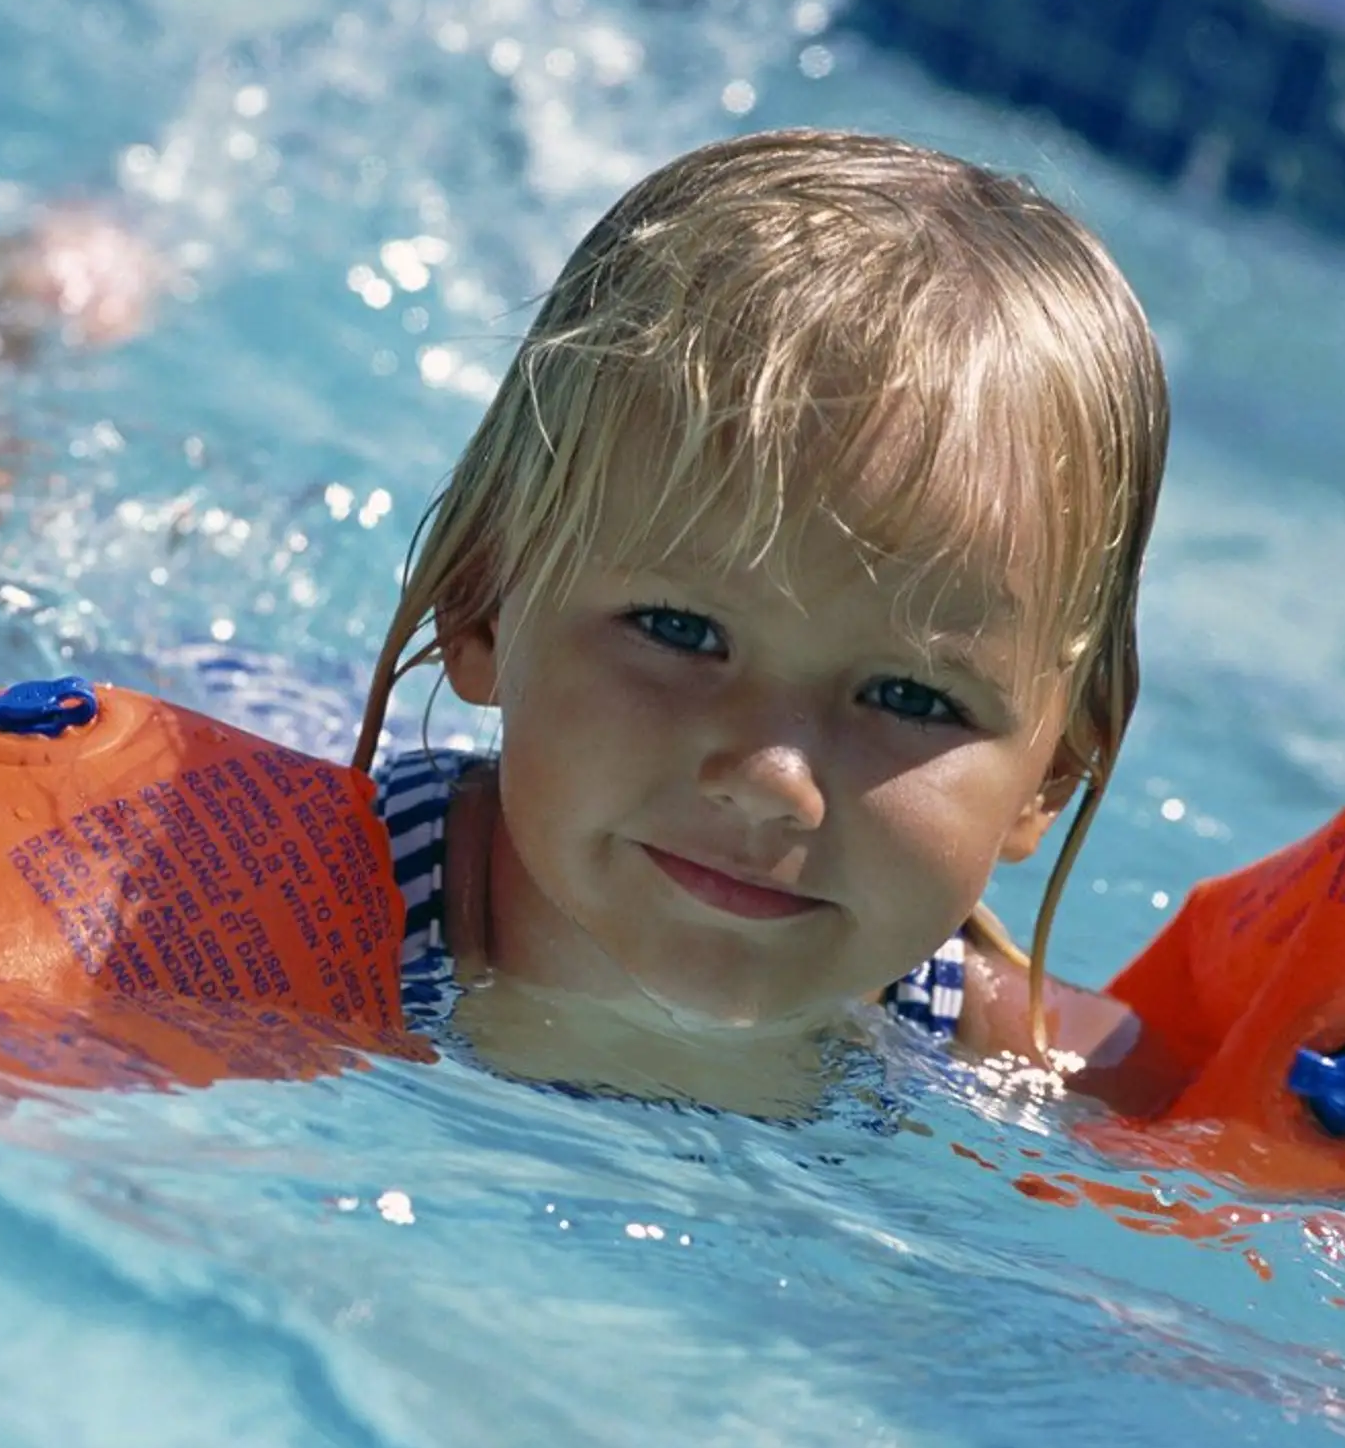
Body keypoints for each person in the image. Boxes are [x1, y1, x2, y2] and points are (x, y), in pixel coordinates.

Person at [346, 130, 1176, 1117]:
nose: (769, 781)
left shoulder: (1013, 1053)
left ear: (1048, 777)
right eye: (679, 630)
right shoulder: (304, 905)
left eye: (911, 697)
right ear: (484, 607)